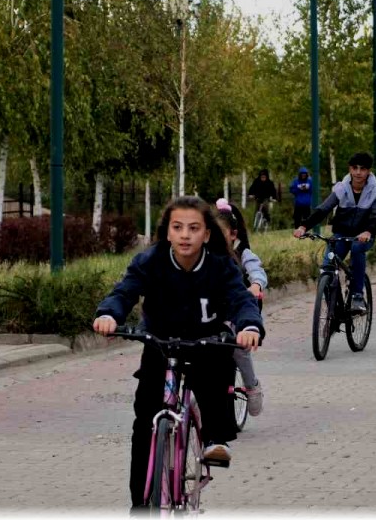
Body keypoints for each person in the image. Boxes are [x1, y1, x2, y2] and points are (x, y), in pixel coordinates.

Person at [92, 196, 264, 510]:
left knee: (217, 373)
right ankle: (139, 506)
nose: (185, 235)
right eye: (178, 227)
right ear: (167, 233)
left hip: (205, 342)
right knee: (144, 421)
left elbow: (241, 300)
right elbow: (125, 289)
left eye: (194, 228)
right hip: (159, 343)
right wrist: (109, 314)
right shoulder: (151, 261)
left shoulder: (220, 266)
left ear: (207, 234)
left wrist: (250, 327)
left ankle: (214, 439)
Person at [293, 152, 376, 314]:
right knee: (327, 267)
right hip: (341, 233)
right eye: (354, 168)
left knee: (357, 249)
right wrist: (304, 227)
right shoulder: (342, 188)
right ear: (349, 169)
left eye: (362, 169)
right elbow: (324, 208)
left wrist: (369, 231)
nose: (357, 172)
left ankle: (357, 295)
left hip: (364, 235)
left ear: (368, 171)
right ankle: (333, 309)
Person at [216, 199, 267, 417]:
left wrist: (254, 286)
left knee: (240, 349)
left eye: (220, 233)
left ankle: (251, 386)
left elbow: (257, 272)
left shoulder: (243, 253)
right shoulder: (203, 256)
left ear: (233, 235)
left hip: (239, 310)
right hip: (212, 312)